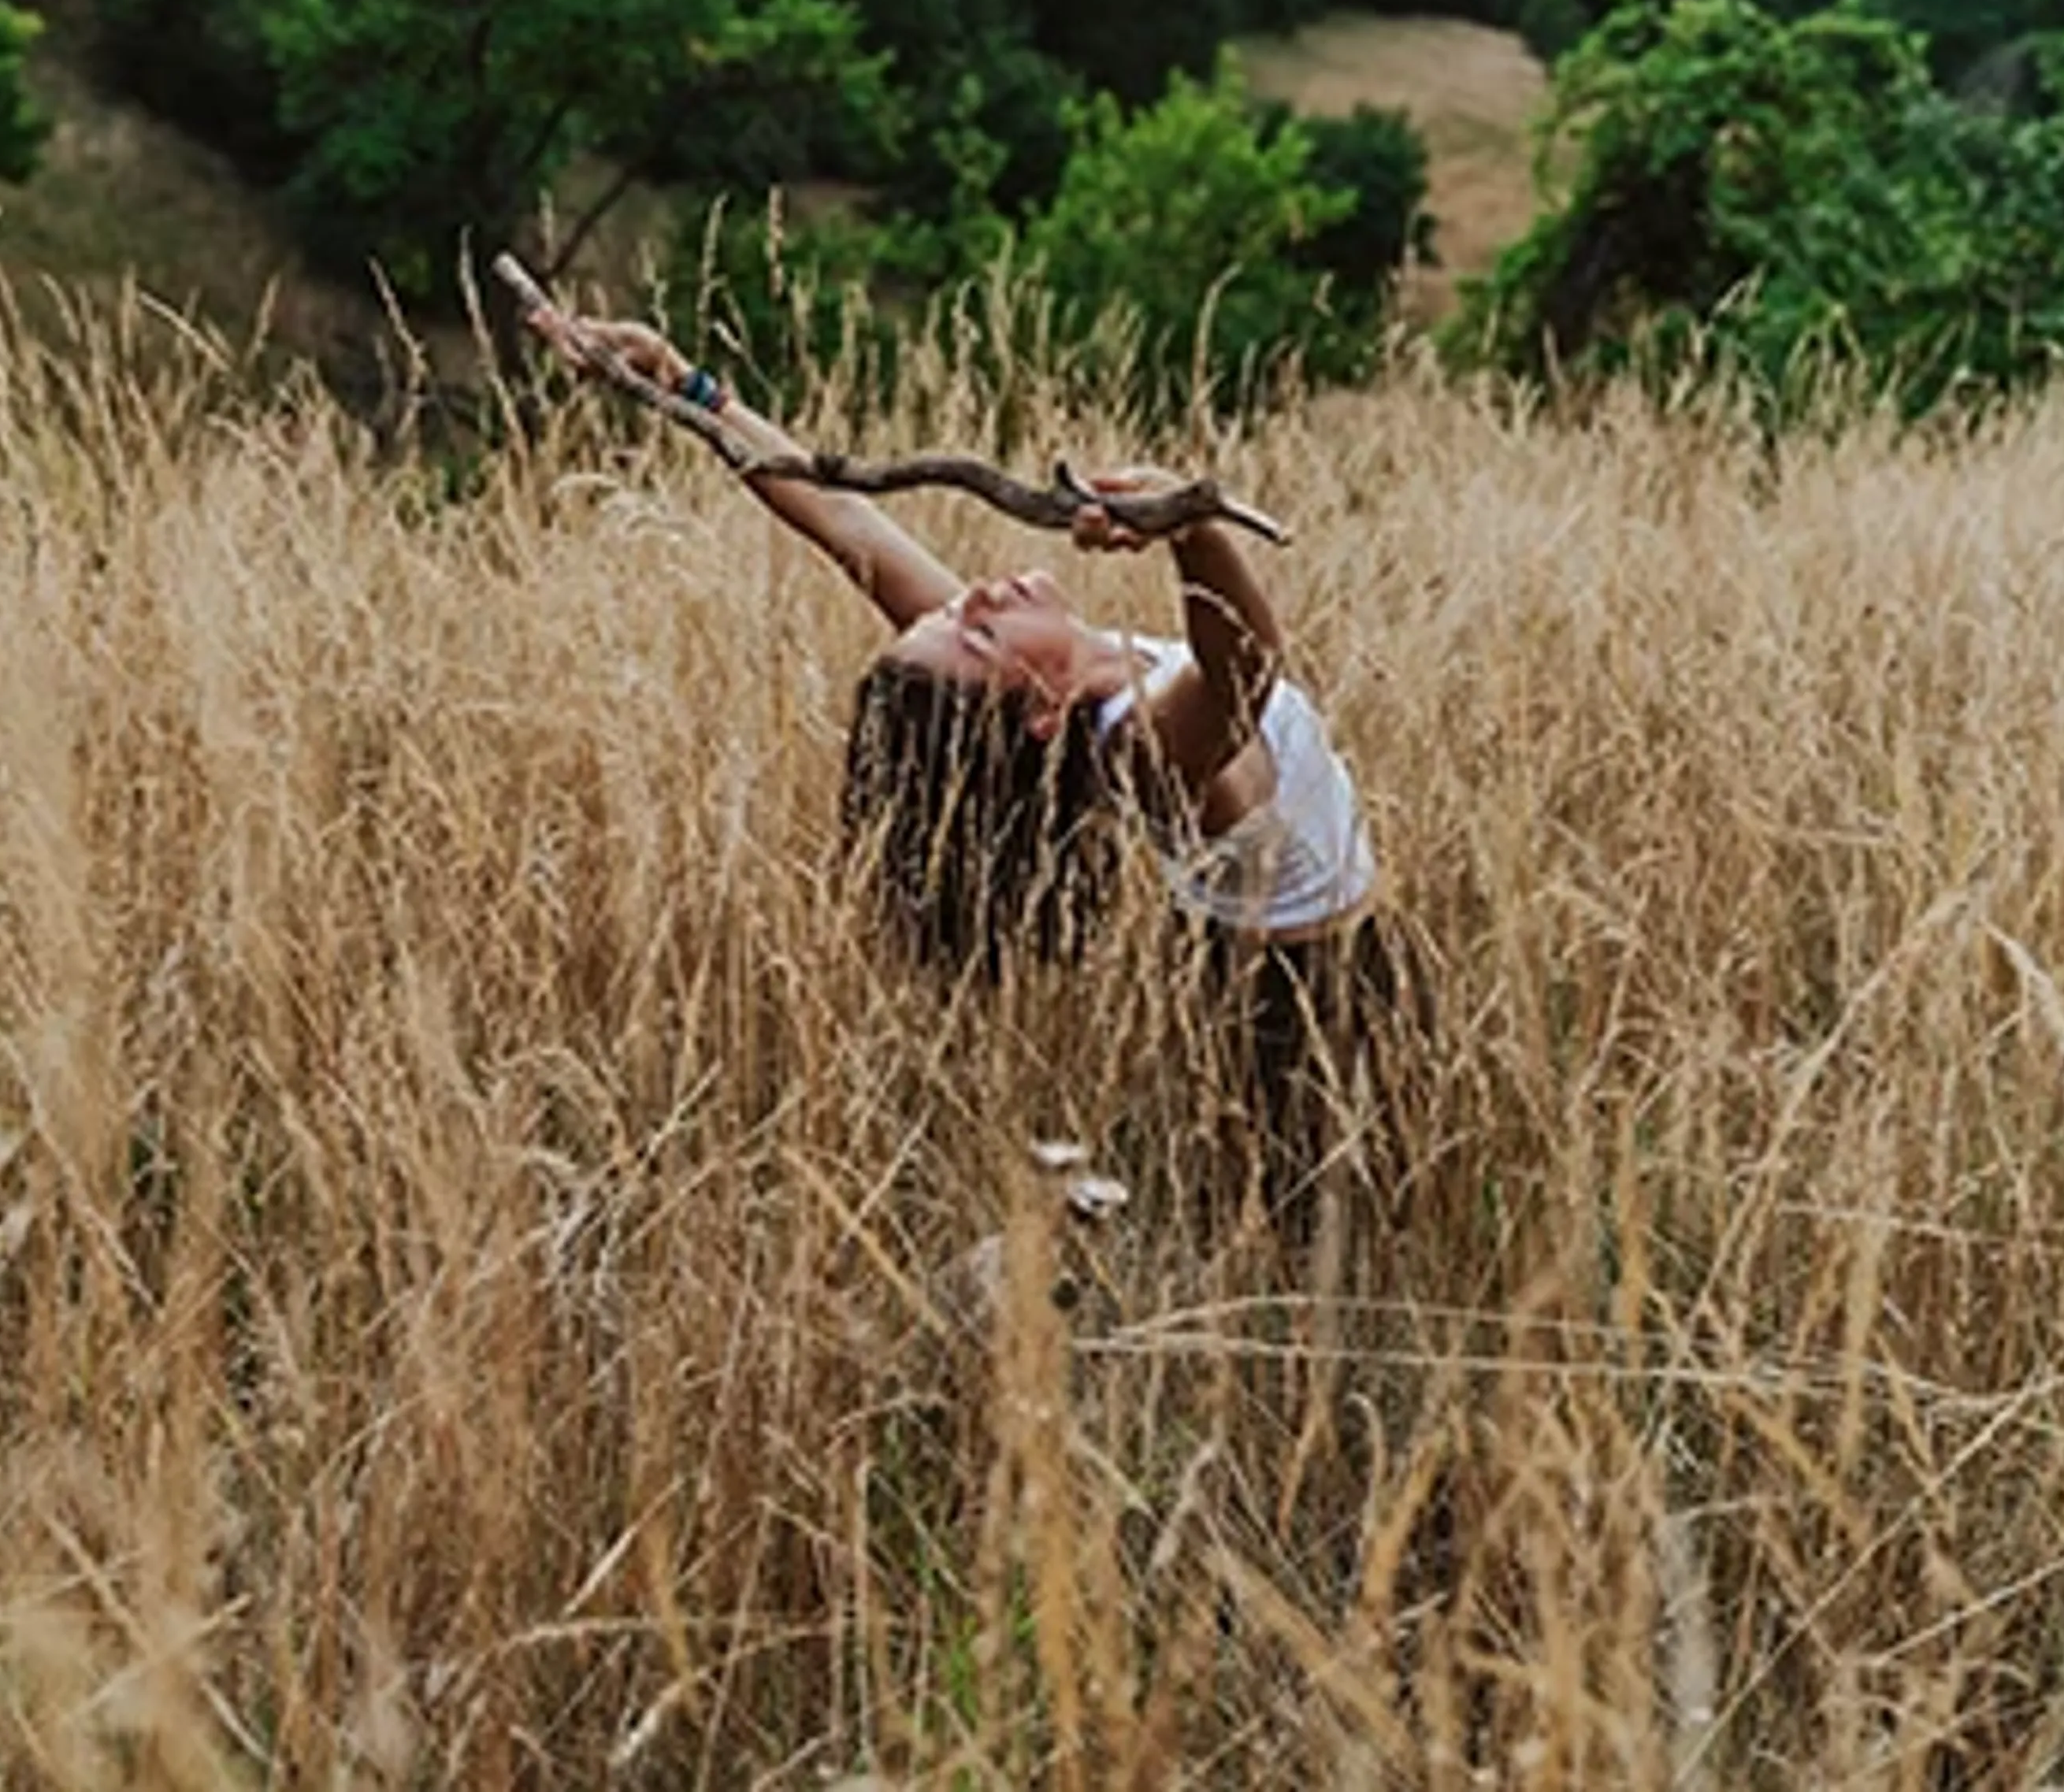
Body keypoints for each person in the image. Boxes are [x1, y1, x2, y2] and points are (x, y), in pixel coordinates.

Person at [529, 307, 1426, 1239]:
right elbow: (1243, 662)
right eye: (981, 630)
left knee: (1304, 1213)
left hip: (1242, 947)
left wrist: (680, 380)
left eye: (964, 612)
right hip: (1316, 992)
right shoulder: (1146, 753)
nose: (980, 594)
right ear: (1037, 712)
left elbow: (839, 515)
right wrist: (1191, 532)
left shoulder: (1055, 701)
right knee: (1339, 1231)